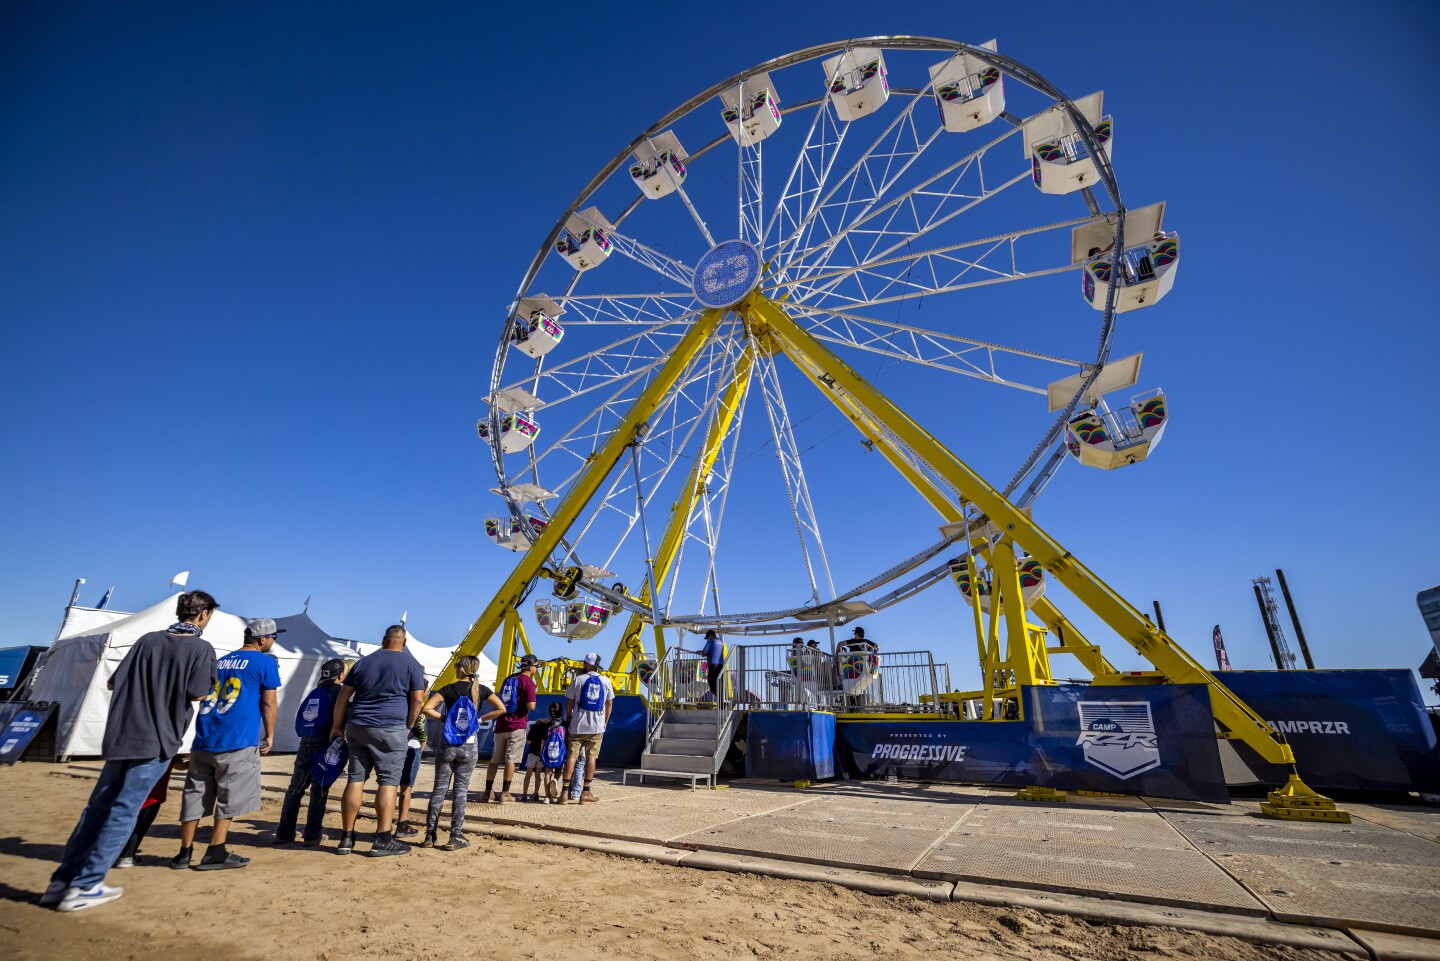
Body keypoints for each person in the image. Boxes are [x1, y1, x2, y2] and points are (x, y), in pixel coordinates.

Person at [42, 590, 218, 912]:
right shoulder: (201, 648)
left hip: (123, 733)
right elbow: (197, 692)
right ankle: (87, 884)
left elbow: (114, 682)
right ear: (204, 614)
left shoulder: (147, 640)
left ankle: (62, 882)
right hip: (156, 738)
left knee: (96, 809)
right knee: (124, 810)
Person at [172, 617, 283, 871]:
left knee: (195, 795)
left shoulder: (221, 660)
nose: (274, 641)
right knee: (230, 796)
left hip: (205, 738)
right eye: (273, 637)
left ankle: (184, 852)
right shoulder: (265, 662)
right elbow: (269, 703)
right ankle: (215, 850)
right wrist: (270, 735)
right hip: (237, 739)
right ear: (262, 639)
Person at [331, 624, 426, 858]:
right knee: (388, 782)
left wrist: (337, 726)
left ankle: (346, 838)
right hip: (391, 728)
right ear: (404, 643)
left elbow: (344, 696)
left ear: (383, 639)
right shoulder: (411, 665)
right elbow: (417, 699)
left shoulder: (363, 662)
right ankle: (382, 838)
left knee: (355, 779)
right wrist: (409, 726)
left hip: (357, 726)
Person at [420, 655, 505, 849]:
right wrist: (480, 720)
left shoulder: (448, 689)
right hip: (469, 743)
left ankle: (430, 835)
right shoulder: (481, 690)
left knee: (439, 789)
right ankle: (455, 835)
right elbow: (501, 708)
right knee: (460, 792)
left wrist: (444, 718)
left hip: (448, 743)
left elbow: (427, 708)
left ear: (460, 668)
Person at [274, 658, 351, 847]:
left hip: (305, 743)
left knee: (295, 789)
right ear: (340, 675)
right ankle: (312, 834)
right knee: (319, 790)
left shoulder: (315, 692)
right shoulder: (340, 692)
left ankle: (284, 832)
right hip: (325, 746)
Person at [559, 653, 614, 805]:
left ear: (587, 664)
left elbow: (569, 700)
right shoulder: (606, 680)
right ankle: (586, 792)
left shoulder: (578, 679)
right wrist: (605, 721)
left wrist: (569, 717)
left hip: (577, 724)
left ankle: (564, 793)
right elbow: (609, 704)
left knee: (571, 756)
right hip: (596, 726)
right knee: (591, 757)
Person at [484, 653, 538, 804]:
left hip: (501, 724)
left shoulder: (509, 679)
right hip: (517, 725)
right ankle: (505, 793)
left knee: (495, 759)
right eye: (536, 666)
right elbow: (531, 706)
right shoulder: (528, 683)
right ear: (532, 666)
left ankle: (488, 792)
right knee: (511, 760)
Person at [114, 757, 181, 869]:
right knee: (140, 827)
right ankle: (127, 856)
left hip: (131, 793)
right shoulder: (167, 753)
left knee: (128, 824)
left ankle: (118, 853)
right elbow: (180, 766)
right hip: (152, 796)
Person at [395, 711, 428, 838]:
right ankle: (402, 826)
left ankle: (383, 827)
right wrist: (423, 738)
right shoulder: (417, 701)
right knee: (406, 788)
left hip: (393, 743)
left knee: (388, 786)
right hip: (411, 745)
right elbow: (418, 724)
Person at [521, 702, 562, 802]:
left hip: (534, 753)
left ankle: (525, 794)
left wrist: (535, 750)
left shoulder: (538, 727)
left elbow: (531, 741)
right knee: (539, 775)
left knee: (528, 774)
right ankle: (537, 793)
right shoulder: (558, 725)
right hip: (549, 753)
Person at [699, 629, 725, 699]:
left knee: (711, 682)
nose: (707, 639)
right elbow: (714, 652)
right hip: (720, 666)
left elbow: (705, 651)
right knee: (719, 684)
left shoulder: (711, 641)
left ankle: (720, 698)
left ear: (710, 636)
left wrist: (700, 652)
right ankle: (722, 701)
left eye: (707, 638)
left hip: (713, 666)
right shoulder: (720, 642)